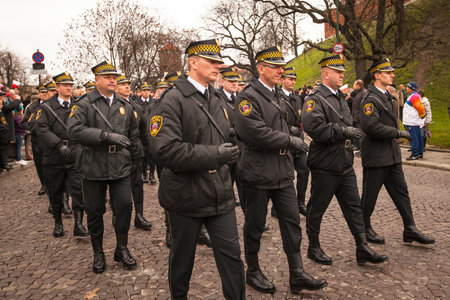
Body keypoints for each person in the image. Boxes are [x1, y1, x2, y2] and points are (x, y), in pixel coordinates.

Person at [149, 39, 245, 299]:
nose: (218, 66)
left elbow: (221, 133)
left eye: (218, 62)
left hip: (220, 193)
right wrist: (216, 154)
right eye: (212, 62)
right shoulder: (171, 100)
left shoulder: (215, 96)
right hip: (185, 196)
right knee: (182, 261)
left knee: (233, 260)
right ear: (193, 63)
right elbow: (166, 150)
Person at [234, 46, 326, 294]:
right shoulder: (248, 96)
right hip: (257, 171)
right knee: (254, 224)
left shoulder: (279, 95)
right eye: (275, 66)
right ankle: (252, 270)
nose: (280, 70)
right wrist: (288, 139)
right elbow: (254, 132)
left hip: (282, 172)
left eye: (281, 66)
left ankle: (297, 273)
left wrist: (293, 132)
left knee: (291, 221)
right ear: (261, 69)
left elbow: (287, 122)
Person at [301, 54, 387, 266]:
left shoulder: (340, 96)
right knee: (317, 207)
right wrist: (344, 131)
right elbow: (316, 129)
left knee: (353, 207)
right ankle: (313, 246)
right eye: (337, 71)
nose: (342, 74)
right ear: (326, 73)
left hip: (344, 161)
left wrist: (351, 131)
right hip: (325, 162)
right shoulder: (315, 99)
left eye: (342, 71)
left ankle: (362, 247)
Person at [68, 60, 141, 273]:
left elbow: (133, 134)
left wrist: (136, 158)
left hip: (120, 165)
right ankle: (98, 252)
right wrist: (105, 136)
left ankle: (122, 248)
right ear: (96, 80)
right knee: (95, 211)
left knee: (125, 206)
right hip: (93, 165)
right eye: (108, 77)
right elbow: (73, 131)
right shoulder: (84, 104)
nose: (112, 80)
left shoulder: (125, 105)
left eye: (114, 77)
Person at [360, 58, 435, 245]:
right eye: (388, 72)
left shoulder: (387, 96)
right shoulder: (370, 99)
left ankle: (410, 228)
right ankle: (364, 229)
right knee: (369, 197)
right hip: (376, 157)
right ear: (377, 76)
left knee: (402, 192)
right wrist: (398, 133)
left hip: (392, 156)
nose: (392, 75)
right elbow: (371, 127)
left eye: (392, 72)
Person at [35, 72, 89, 238]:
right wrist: (58, 144)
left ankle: (78, 223)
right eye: (65, 85)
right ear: (57, 87)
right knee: (55, 192)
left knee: (79, 191)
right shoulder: (46, 107)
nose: (69, 88)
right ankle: (58, 222)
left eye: (71, 85)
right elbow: (41, 129)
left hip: (75, 154)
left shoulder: (79, 105)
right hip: (54, 157)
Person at [115, 74, 152, 231]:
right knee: (118, 188)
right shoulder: (112, 106)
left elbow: (143, 129)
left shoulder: (136, 106)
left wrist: (146, 147)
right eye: (122, 84)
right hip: (119, 154)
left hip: (135, 153)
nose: (126, 86)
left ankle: (139, 215)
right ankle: (118, 216)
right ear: (115, 87)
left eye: (128, 84)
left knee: (137, 185)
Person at [278, 66, 309, 216]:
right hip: (286, 141)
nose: (293, 82)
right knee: (287, 176)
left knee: (304, 170)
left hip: (299, 141)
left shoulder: (297, 98)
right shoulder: (277, 97)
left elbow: (300, 117)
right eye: (290, 79)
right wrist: (289, 129)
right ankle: (278, 207)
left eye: (294, 79)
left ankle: (300, 202)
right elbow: (276, 119)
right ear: (282, 80)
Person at [22, 85, 50, 195]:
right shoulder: (31, 107)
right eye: (42, 92)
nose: (44, 94)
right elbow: (24, 122)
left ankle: (53, 184)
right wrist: (32, 128)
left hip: (49, 140)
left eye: (46, 92)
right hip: (37, 140)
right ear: (38, 93)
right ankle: (44, 184)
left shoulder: (53, 105)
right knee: (39, 163)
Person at [136, 82, 156, 184]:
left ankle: (152, 175)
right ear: (140, 92)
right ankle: (144, 175)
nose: (146, 92)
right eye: (144, 90)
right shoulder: (137, 103)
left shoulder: (154, 102)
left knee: (152, 156)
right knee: (143, 156)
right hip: (141, 134)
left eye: (148, 90)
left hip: (152, 133)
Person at [402, 82, 425, 160]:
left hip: (412, 121)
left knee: (413, 138)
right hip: (413, 121)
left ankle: (415, 154)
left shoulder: (414, 96)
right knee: (418, 137)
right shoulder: (413, 96)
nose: (406, 88)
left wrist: (422, 115)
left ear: (412, 89)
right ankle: (419, 153)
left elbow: (420, 108)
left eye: (408, 87)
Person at [350, 79, 367, 153]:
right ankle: (360, 148)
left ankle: (363, 149)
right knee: (359, 133)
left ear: (358, 85)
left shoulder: (363, 92)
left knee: (362, 133)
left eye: (354, 84)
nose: (353, 86)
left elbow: (363, 105)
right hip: (356, 116)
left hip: (360, 117)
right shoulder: (358, 92)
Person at [0, 91, 11, 171]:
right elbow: (3, 123)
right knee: (3, 151)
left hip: (4, 134)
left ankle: (3, 163)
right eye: (0, 104)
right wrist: (5, 128)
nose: (1, 106)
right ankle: (3, 164)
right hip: (2, 135)